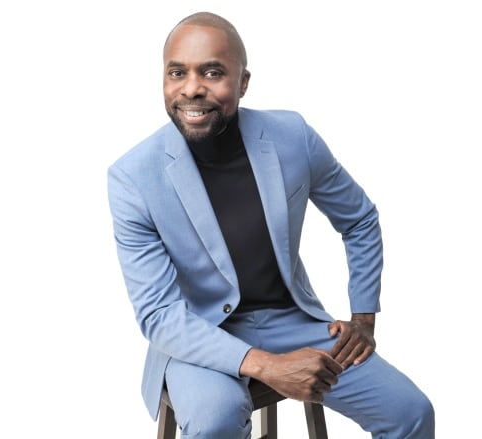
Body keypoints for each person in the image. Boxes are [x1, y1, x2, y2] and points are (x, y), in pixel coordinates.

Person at [107, 11, 434, 439]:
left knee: (411, 412)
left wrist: (363, 318)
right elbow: (159, 314)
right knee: (215, 420)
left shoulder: (291, 136)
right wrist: (269, 366)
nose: (192, 88)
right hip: (198, 334)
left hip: (294, 321)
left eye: (212, 72)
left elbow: (359, 219)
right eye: (176, 72)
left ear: (242, 82)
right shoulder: (133, 176)